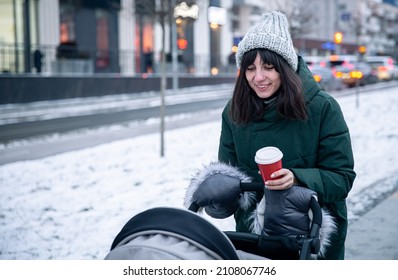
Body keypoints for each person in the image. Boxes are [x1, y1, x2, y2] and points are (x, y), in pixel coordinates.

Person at [217, 11, 356, 259]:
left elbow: (342, 178)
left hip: (312, 239)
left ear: (286, 69)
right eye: (250, 68)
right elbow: (229, 176)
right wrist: (216, 192)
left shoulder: (322, 108)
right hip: (255, 240)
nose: (258, 77)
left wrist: (296, 178)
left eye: (268, 67)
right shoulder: (234, 112)